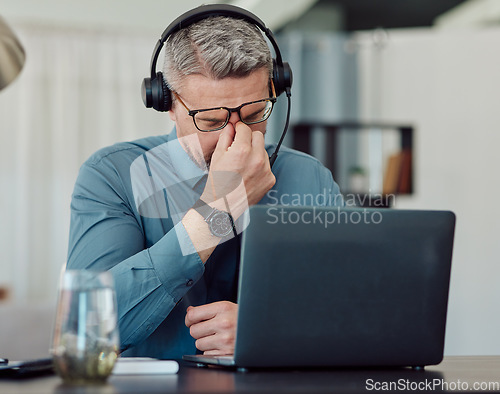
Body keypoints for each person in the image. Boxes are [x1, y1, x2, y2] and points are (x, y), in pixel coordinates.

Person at [67, 6, 343, 360]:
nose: (236, 137)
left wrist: (271, 330)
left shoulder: (310, 178)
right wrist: (217, 213)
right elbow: (87, 331)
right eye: (211, 121)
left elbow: (354, 309)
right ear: (166, 103)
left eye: (256, 114)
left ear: (275, 88)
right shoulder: (112, 174)